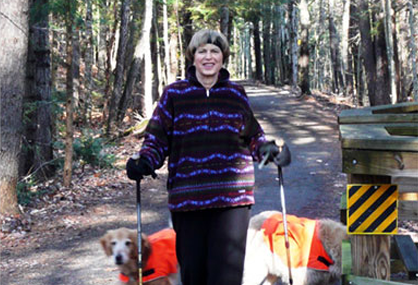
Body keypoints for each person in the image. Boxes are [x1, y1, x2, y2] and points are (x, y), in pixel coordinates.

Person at [126, 29, 291, 285]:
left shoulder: (235, 94)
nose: (208, 57)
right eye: (202, 51)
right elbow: (157, 140)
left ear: (223, 57)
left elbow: (253, 136)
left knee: (226, 277)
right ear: (193, 57)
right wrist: (145, 161)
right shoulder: (174, 95)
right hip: (188, 198)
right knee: (194, 275)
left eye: (214, 51)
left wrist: (268, 150)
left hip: (233, 201)